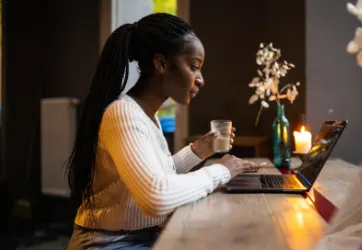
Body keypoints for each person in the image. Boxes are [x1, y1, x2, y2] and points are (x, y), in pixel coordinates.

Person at [66, 13, 257, 249]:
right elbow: (157, 196)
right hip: (108, 243)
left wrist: (196, 152)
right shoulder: (124, 114)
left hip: (137, 237)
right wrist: (221, 171)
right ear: (161, 63)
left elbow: (149, 177)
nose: (201, 80)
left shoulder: (146, 114)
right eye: (194, 67)